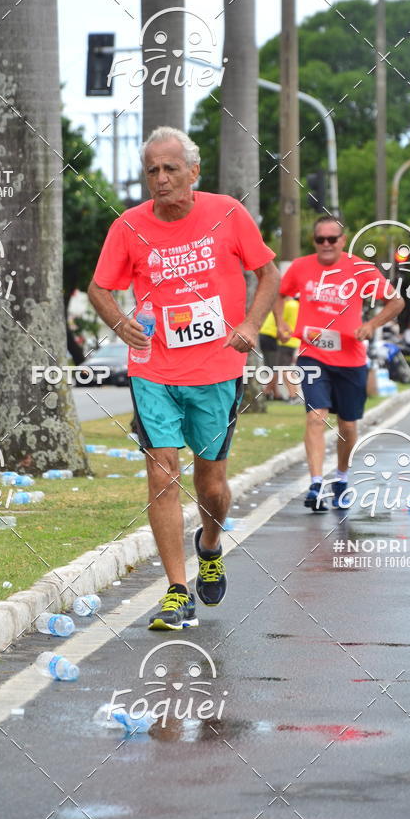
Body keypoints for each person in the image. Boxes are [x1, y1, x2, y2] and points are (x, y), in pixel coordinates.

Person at [88, 126, 278, 630]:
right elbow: (99, 287)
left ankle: (210, 545)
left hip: (216, 369)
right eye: (152, 170)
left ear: (194, 171)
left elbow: (269, 274)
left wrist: (250, 323)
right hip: (153, 368)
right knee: (162, 472)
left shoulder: (228, 215)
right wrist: (119, 323)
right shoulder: (129, 226)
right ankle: (176, 590)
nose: (161, 178)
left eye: (171, 168)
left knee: (211, 483)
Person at [275, 215, 404, 512]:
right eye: (320, 239)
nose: (326, 244)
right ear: (314, 242)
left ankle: (342, 477)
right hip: (313, 354)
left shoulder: (359, 268)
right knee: (315, 417)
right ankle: (317, 484)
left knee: (347, 424)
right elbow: (279, 294)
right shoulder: (300, 267)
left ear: (342, 241)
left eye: (332, 239)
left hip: (351, 358)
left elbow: (396, 302)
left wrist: (371, 325)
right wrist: (282, 323)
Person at [258, 312, 281, 399]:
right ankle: (266, 392)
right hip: (272, 337)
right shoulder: (290, 306)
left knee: (269, 367)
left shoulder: (275, 307)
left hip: (262, 335)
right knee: (276, 368)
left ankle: (276, 394)